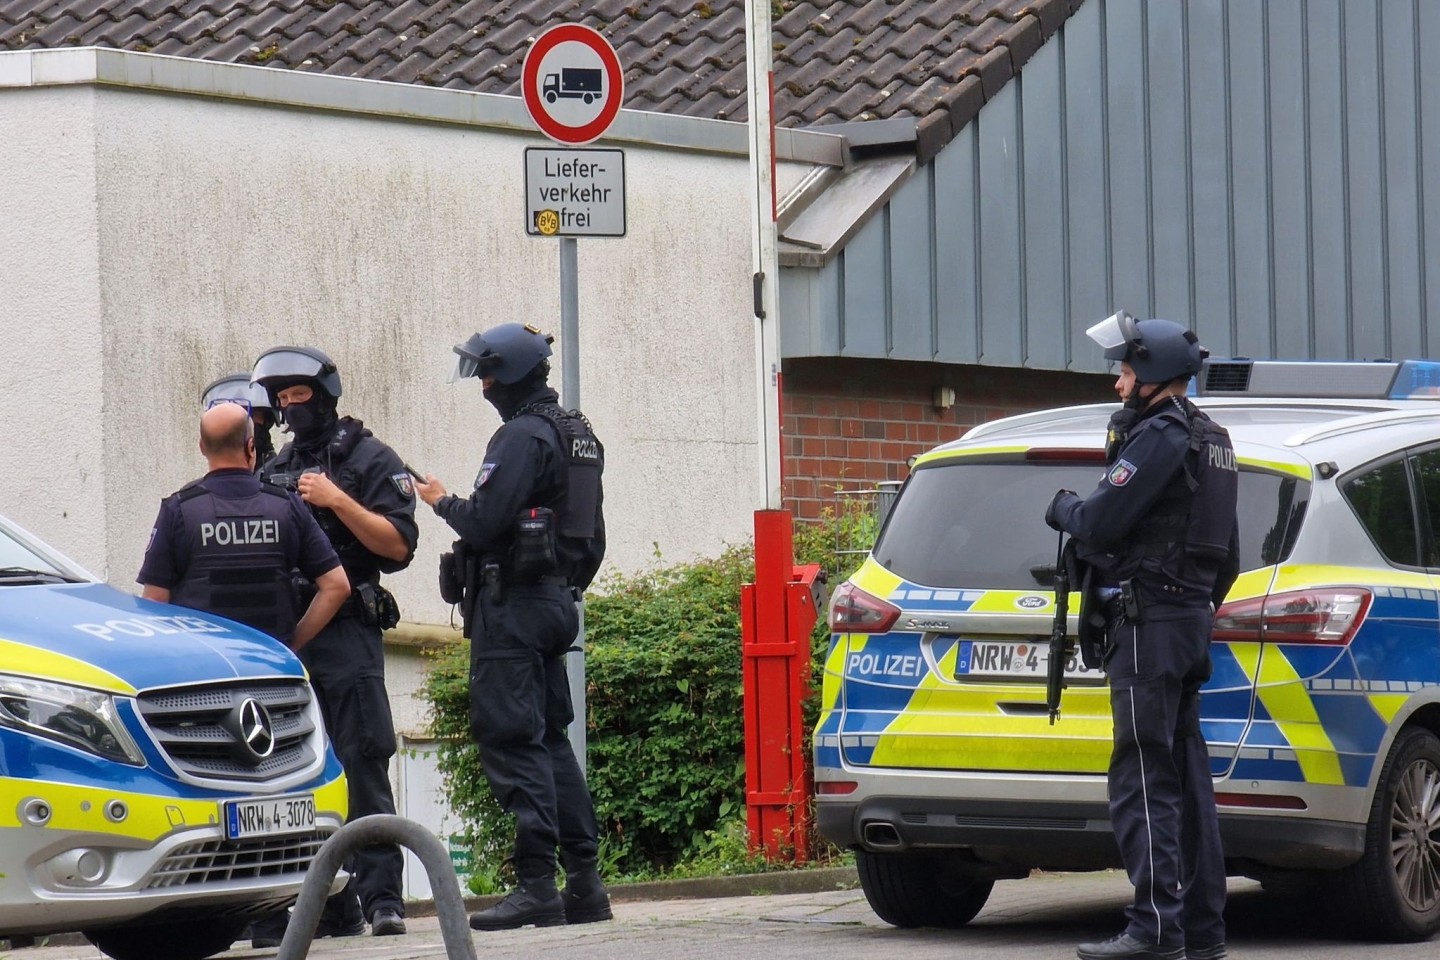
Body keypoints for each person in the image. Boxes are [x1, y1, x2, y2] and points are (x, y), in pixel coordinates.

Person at [1045, 312, 1238, 960]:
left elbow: (1100, 521)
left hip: (1150, 627)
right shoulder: (1213, 438)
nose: (1118, 383)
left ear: (1152, 372)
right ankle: (1202, 933)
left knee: (1142, 775)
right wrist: (1188, 606)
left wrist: (1064, 506)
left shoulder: (1159, 436)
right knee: (1186, 778)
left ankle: (1153, 929)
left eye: (1124, 370)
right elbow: (1227, 557)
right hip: (1185, 624)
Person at [413, 322, 609, 931]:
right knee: (550, 740)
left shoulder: (521, 436)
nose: (483, 385)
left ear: (515, 373)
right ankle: (584, 885)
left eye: (488, 373)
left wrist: (442, 501)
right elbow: (593, 536)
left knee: (511, 738)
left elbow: (485, 520)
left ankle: (536, 887)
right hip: (555, 601)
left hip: (515, 609)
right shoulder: (578, 434)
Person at [251, 345, 419, 941]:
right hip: (289, 639)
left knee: (362, 764)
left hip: (346, 632)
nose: (291, 408)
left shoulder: (370, 458)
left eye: (300, 396)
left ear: (325, 394)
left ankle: (382, 901)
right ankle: (315, 906)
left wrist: (336, 500)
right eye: (282, 399)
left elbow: (398, 546)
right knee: (286, 775)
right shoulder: (272, 469)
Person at [138, 400, 350, 648]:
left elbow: (154, 603)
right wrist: (290, 646)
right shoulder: (287, 506)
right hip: (272, 668)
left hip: (205, 669)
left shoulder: (179, 510)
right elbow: (336, 586)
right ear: (251, 446)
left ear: (202, 447)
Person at [201, 372, 280, 470]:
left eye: (251, 415)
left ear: (267, 420)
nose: (241, 423)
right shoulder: (210, 481)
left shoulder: (281, 473)